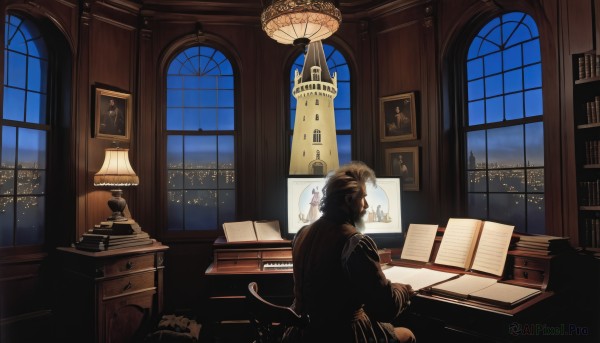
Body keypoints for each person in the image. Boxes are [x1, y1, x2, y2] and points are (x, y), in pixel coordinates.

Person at [283, 161, 416, 343]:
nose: (367, 205)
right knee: (407, 335)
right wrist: (402, 290)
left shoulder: (302, 233)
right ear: (348, 200)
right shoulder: (355, 243)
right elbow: (385, 308)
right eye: (363, 198)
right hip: (341, 335)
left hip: (300, 334)